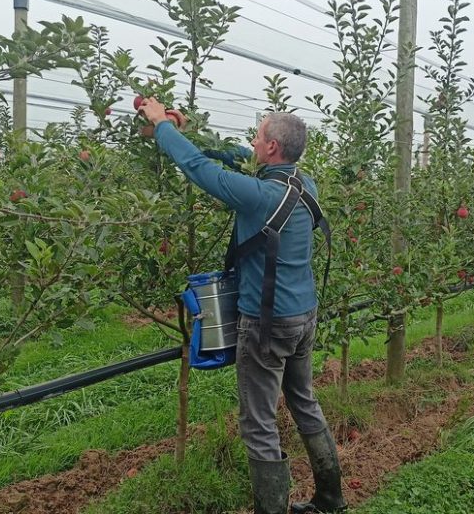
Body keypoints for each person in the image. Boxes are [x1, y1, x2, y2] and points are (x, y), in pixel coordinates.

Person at [140, 98, 346, 514]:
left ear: (272, 148)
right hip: (303, 318)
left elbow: (201, 171)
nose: (252, 142)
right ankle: (330, 498)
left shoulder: (258, 197)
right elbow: (237, 161)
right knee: (303, 400)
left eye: (258, 136)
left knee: (258, 423)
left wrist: (162, 125)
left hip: (266, 324)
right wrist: (191, 133)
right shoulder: (306, 185)